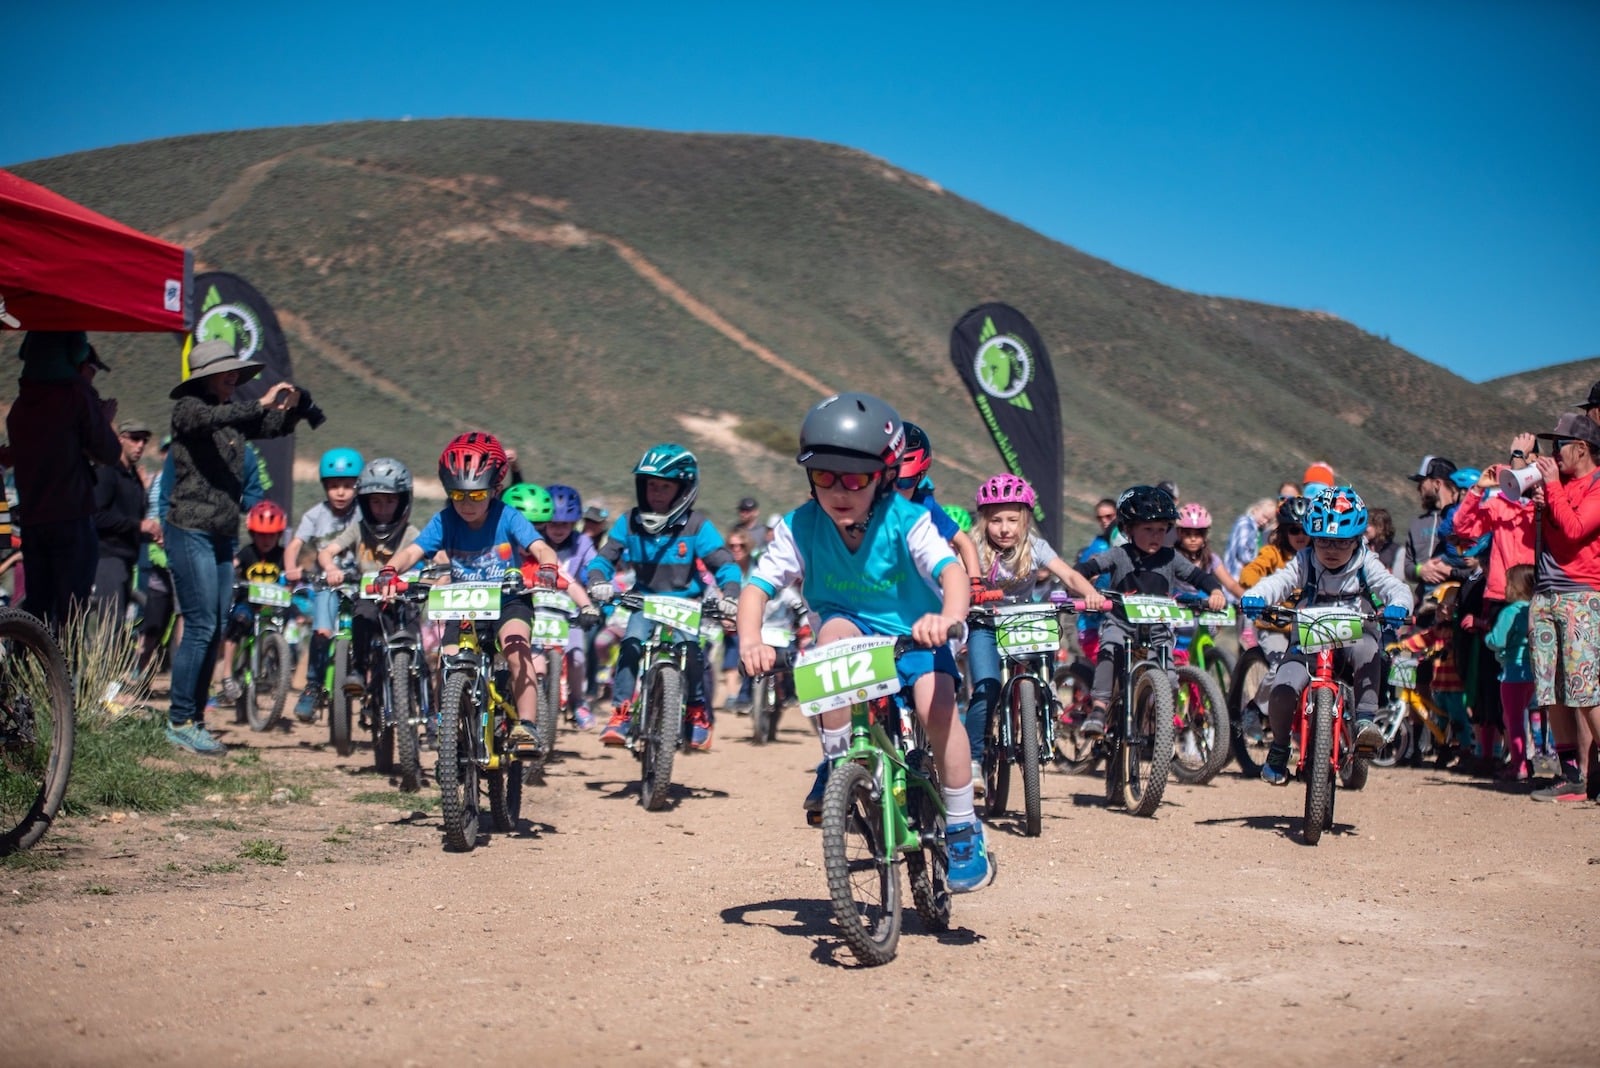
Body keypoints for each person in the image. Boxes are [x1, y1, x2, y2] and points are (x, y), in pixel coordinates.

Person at [736, 392, 991, 892]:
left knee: (937, 710)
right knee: (831, 637)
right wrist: (750, 641)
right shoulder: (798, 526)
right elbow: (756, 587)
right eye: (824, 475)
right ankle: (839, 766)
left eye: (854, 478)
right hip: (851, 630)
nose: (838, 489)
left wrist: (949, 618)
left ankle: (962, 825)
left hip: (918, 633)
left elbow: (951, 571)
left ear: (886, 476)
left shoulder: (908, 520)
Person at [377, 433, 596, 753]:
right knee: (447, 661)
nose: (466, 504)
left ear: (495, 489)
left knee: (518, 649)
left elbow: (540, 546)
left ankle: (527, 726)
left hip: (508, 601)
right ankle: (447, 723)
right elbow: (412, 551)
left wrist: (548, 566)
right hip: (464, 605)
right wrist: (389, 571)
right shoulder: (445, 519)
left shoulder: (508, 516)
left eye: (477, 496)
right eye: (458, 495)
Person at [164, 339, 308, 755]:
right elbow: (213, 418)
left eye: (235, 372)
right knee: (201, 624)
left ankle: (195, 719)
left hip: (221, 535)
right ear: (207, 375)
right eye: (226, 372)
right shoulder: (189, 408)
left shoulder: (229, 420)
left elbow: (272, 426)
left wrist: (295, 407)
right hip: (189, 529)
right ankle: (180, 719)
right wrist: (259, 403)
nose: (233, 378)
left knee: (216, 626)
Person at [1241, 486, 1413, 784]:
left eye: (1341, 543)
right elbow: (1279, 581)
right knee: (1284, 685)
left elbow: (1394, 587)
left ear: (1357, 539)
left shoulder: (1366, 561)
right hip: (1308, 639)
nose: (1331, 550)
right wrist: (1257, 596)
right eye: (1323, 541)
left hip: (1353, 634)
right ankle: (1280, 748)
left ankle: (1364, 722)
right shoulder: (1305, 560)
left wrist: (1398, 605)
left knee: (1368, 651)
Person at [588, 444, 741, 751]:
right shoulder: (629, 521)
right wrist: (597, 580)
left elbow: (725, 565)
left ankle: (697, 711)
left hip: (686, 604)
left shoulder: (697, 525)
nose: (656, 493)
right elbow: (603, 558)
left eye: (665, 486)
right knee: (630, 646)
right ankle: (621, 713)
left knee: (693, 652)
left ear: (683, 489)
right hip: (643, 600)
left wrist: (730, 595)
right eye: (651, 485)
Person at [965, 474, 1104, 781]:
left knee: (1046, 636)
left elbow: (1068, 575)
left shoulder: (1036, 547)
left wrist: (1091, 594)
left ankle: (1046, 693)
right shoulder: (972, 548)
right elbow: (952, 579)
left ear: (1025, 519)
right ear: (984, 520)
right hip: (985, 624)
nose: (1004, 528)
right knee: (986, 689)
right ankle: (972, 761)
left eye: (1013, 520)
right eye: (996, 520)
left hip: (1025, 624)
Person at [1074, 485, 1226, 739]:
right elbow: (1081, 571)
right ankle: (1099, 709)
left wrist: (1216, 592)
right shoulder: (1118, 555)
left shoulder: (1171, 558)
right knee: (1108, 648)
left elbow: (1199, 576)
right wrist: (1089, 593)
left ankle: (1158, 722)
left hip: (1158, 629)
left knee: (1168, 676)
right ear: (1129, 529)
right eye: (1148, 529)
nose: (1156, 536)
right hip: (1120, 624)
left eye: (1161, 529)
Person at [6, 330, 121, 629]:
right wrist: (104, 421)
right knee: (72, 612)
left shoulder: (20, 407)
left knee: (37, 610)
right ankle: (64, 674)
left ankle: (28, 671)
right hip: (70, 517)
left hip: (33, 522)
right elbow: (108, 451)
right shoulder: (75, 396)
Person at [1522, 413, 1600, 803]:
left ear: (1582, 449)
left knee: (1584, 691)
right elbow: (1540, 537)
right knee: (1549, 690)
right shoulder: (1557, 487)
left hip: (1581, 596)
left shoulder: (1598, 486)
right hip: (1545, 594)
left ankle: (1593, 774)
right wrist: (1542, 502)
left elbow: (1573, 532)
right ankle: (1572, 776)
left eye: (1560, 445)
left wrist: (1551, 488)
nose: (1554, 453)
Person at [317, 458, 421, 695]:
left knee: (413, 641)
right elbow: (327, 552)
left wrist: (443, 573)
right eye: (375, 501)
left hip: (402, 599)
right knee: (362, 617)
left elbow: (435, 554)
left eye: (390, 501)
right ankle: (359, 670)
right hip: (369, 597)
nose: (383, 508)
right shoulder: (359, 529)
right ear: (364, 502)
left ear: (403, 500)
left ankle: (417, 695)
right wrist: (331, 568)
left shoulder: (410, 532)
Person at [505, 481, 599, 729]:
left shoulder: (544, 557)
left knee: (576, 657)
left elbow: (569, 582)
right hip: (511, 617)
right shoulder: (499, 552)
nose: (557, 530)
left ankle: (576, 702)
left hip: (558, 614)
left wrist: (588, 605)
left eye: (564, 524)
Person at [283, 447, 363, 720]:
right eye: (333, 486)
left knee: (370, 629)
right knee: (321, 633)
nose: (340, 492)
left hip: (359, 584)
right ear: (324, 487)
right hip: (325, 585)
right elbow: (295, 544)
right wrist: (291, 567)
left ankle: (373, 686)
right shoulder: (315, 515)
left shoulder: (364, 513)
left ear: (357, 486)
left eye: (347, 486)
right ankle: (313, 687)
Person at [217, 500, 291, 702]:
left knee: (291, 623)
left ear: (279, 535)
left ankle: (280, 668)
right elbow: (235, 564)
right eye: (261, 535)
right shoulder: (248, 552)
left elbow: (292, 572)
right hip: (248, 603)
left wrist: (296, 577)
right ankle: (226, 676)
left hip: (273, 605)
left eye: (271, 535)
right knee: (237, 622)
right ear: (252, 534)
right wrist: (229, 569)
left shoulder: (282, 555)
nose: (266, 540)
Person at [91, 419, 159, 624]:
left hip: (127, 560)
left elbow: (129, 522)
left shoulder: (133, 478)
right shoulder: (107, 472)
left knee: (119, 627)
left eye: (144, 440)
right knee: (112, 627)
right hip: (107, 558)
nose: (140, 445)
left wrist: (152, 534)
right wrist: (139, 525)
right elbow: (96, 516)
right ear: (120, 439)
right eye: (135, 439)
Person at [896, 423, 981, 579]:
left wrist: (975, 582)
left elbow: (964, 543)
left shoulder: (924, 505)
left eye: (905, 482)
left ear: (921, 477)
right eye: (887, 483)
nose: (895, 492)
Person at [1394, 455, 1469, 598]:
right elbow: (1408, 568)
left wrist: (1448, 570)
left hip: (1457, 603)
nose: (1418, 488)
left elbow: (1474, 564)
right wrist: (1421, 570)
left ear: (1437, 483)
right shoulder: (1417, 523)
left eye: (1422, 481)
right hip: (1425, 606)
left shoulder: (1462, 519)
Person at [1487, 564, 1535, 783]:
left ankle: (1519, 765)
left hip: (1513, 673)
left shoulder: (1510, 612)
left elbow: (1497, 640)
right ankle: (1530, 759)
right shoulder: (1534, 609)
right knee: (1528, 717)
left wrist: (1486, 637)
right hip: (1533, 673)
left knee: (1513, 721)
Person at [1173, 503, 1246, 601]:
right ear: (1179, 533)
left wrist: (1248, 599)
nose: (1193, 539)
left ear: (1205, 535)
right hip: (1175, 605)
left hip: (1202, 607)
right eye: (1188, 534)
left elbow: (1231, 585)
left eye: (1198, 535)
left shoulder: (1212, 559)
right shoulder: (1172, 556)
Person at [1224, 497, 1277, 579]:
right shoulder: (1245, 523)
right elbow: (1244, 554)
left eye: (1268, 521)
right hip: (1235, 576)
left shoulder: (1257, 532)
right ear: (1256, 509)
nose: (1265, 521)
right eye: (1264, 516)